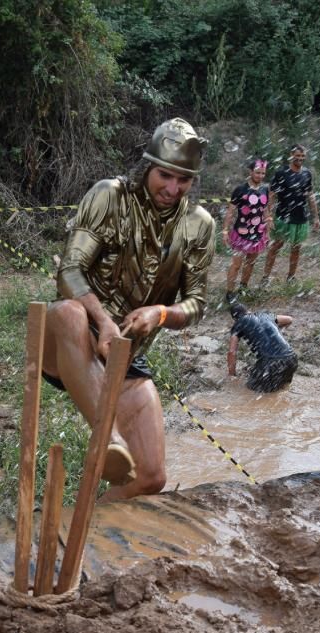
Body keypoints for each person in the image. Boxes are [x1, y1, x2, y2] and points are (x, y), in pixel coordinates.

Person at [45, 118, 215, 502]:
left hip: (123, 358)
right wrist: (103, 321)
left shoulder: (198, 226)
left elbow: (196, 303)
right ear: (148, 167)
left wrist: (160, 313)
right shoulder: (110, 196)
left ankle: (83, 526)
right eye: (165, 175)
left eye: (183, 180)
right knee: (69, 313)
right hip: (68, 343)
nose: (172, 189)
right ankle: (109, 439)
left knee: (150, 477)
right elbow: (69, 270)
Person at [261, 145, 320, 284]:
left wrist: (316, 216)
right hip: (283, 216)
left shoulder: (307, 173)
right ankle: (265, 277)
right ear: (291, 155)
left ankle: (291, 277)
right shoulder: (281, 173)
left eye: (302, 156)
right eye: (297, 155)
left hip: (300, 217)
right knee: (276, 246)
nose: (300, 158)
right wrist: (268, 216)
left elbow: (310, 196)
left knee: (296, 248)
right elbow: (271, 195)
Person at [222, 158, 271, 301]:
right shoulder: (240, 190)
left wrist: (268, 225)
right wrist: (225, 230)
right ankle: (230, 293)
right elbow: (230, 212)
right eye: (257, 173)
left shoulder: (264, 189)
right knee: (236, 264)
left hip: (257, 233)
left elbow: (265, 209)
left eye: (263, 173)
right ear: (250, 172)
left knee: (251, 262)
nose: (260, 176)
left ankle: (243, 287)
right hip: (240, 233)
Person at [226, 303, 297, 393]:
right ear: (248, 311)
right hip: (291, 359)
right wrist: (276, 330)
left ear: (234, 319)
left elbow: (232, 352)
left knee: (250, 391)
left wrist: (232, 375)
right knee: (280, 389)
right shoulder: (265, 315)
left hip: (272, 363)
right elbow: (289, 319)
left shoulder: (239, 323)